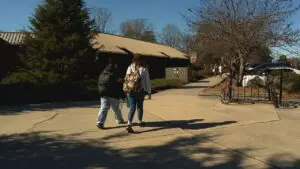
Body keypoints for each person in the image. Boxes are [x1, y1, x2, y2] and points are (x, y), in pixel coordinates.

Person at [123, 54, 151, 133]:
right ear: (141, 60)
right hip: (140, 91)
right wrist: (149, 92)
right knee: (140, 106)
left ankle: (129, 124)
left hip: (130, 90)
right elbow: (147, 82)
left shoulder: (129, 68)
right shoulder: (143, 69)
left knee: (132, 107)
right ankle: (139, 121)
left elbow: (126, 79)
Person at [97, 57, 125, 129]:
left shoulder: (103, 71)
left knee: (104, 107)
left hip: (102, 92)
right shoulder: (114, 72)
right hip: (112, 93)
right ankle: (119, 120)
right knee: (115, 107)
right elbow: (119, 82)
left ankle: (100, 122)